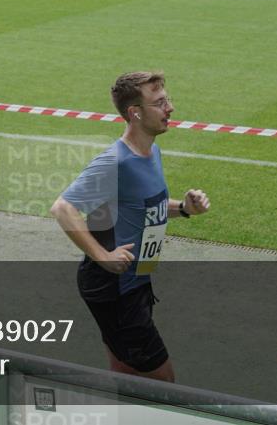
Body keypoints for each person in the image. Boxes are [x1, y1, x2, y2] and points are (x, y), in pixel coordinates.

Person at [50, 71, 210, 382]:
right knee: (163, 382)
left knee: (125, 370)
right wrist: (102, 255)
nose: (170, 108)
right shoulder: (115, 162)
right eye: (160, 102)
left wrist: (185, 209)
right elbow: (63, 208)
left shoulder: (151, 151)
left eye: (167, 100)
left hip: (134, 281)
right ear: (135, 113)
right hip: (114, 287)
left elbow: (144, 206)